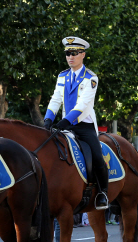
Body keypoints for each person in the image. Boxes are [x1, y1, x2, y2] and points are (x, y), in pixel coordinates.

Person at [43, 36, 108, 210]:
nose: (70, 57)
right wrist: (48, 118)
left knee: (97, 157)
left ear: (83, 54)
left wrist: (66, 120)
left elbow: (84, 104)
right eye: (67, 53)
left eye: (74, 53)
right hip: (64, 124)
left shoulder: (91, 78)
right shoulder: (62, 76)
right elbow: (56, 99)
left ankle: (103, 192)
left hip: (83, 125)